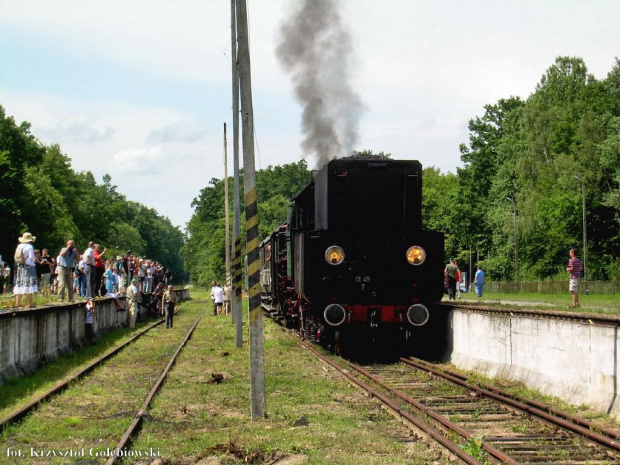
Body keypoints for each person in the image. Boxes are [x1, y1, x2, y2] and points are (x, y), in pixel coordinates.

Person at [14, 232, 38, 308]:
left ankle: (17, 303)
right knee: (29, 283)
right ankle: (30, 303)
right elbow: (31, 257)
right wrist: (35, 259)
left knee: (20, 283)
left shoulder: (19, 246)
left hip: (20, 266)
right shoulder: (30, 246)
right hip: (28, 267)